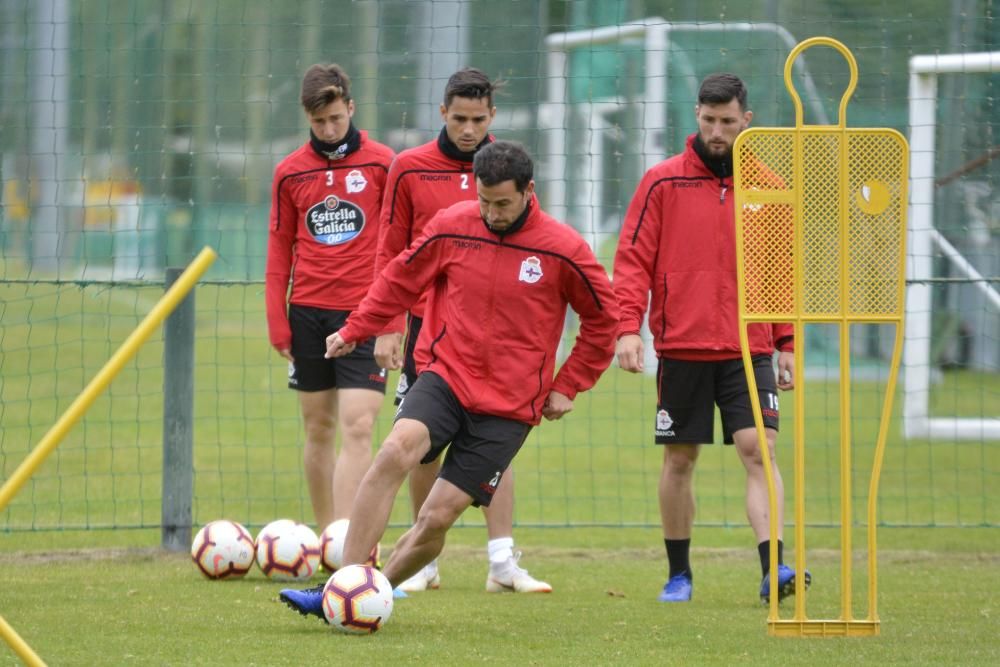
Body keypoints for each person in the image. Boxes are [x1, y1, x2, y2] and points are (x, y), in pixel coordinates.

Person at [280, 140, 619, 620]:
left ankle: (370, 595)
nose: (492, 213)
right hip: (446, 377)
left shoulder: (562, 249)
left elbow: (606, 319)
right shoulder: (453, 227)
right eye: (484, 201)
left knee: (436, 518)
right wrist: (356, 329)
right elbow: (399, 279)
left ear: (528, 191)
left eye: (502, 203)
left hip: (508, 406)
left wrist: (569, 382)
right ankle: (341, 587)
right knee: (394, 450)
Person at [611, 73, 810, 604]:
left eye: (728, 121)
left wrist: (786, 342)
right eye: (709, 120)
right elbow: (632, 261)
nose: (718, 131)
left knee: (759, 450)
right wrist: (627, 328)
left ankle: (775, 570)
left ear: (748, 120)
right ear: (696, 115)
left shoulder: (770, 186)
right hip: (682, 346)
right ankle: (679, 575)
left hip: (751, 348)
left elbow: (779, 270)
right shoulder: (661, 183)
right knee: (680, 460)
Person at [373, 68, 551, 594]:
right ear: (442, 114)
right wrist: (387, 324)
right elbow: (391, 251)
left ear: (492, 116)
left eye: (478, 119)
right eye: (459, 119)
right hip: (429, 332)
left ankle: (502, 563)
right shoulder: (409, 169)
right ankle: (423, 562)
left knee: (496, 442)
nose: (469, 129)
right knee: (421, 445)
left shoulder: (507, 168)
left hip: (495, 335)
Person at [265, 64, 395, 532]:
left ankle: (347, 542)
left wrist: (391, 320)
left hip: (364, 314)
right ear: (307, 117)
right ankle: (325, 539)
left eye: (336, 118)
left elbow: (399, 248)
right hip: (308, 317)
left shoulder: (383, 163)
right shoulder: (289, 173)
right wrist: (276, 320)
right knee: (317, 428)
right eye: (319, 122)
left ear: (351, 108)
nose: (328, 128)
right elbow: (279, 250)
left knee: (359, 426)